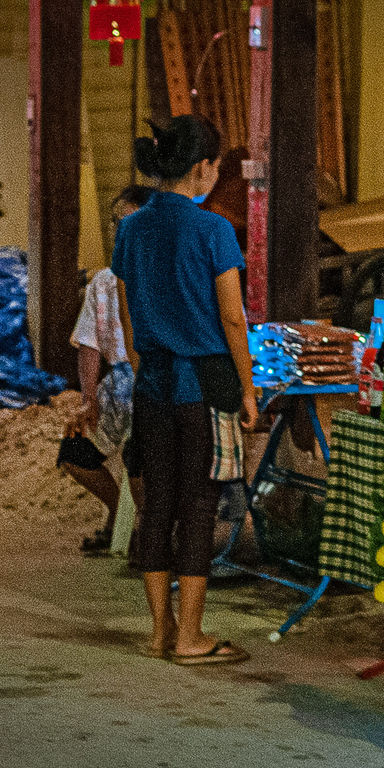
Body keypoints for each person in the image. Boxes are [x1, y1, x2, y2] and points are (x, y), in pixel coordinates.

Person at [113, 115, 258, 666]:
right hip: (202, 385)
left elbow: (127, 312)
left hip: (151, 383)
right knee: (200, 504)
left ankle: (159, 631)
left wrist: (143, 355)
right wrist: (247, 389)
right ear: (201, 168)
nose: (217, 176)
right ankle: (192, 637)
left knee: (157, 505)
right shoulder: (214, 230)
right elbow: (233, 318)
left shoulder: (132, 228)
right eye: (217, 166)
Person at [62, 184, 154, 554]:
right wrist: (88, 400)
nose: (119, 231)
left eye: (126, 223)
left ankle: (147, 536)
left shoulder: (162, 275)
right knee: (73, 451)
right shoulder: (103, 281)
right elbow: (89, 344)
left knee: (142, 462)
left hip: (152, 381)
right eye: (115, 223)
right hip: (120, 385)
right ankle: (120, 518)